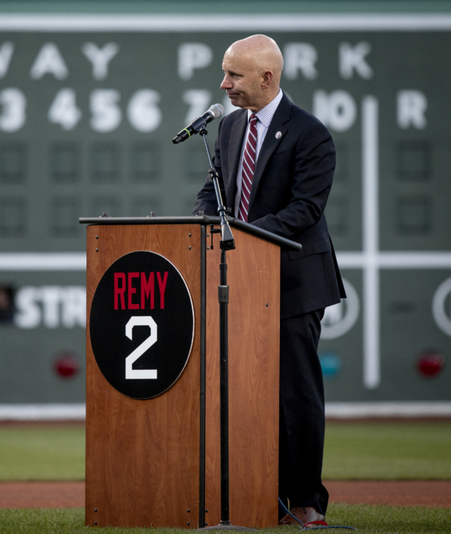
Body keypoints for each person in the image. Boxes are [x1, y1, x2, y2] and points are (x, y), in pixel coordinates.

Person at [192, 34, 345, 528]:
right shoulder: (231, 127)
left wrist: (239, 233)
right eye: (224, 72)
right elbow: (212, 189)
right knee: (247, 396)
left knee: (295, 395)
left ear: (267, 78)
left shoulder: (311, 133)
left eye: (233, 75)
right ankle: (265, 497)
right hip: (243, 283)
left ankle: (306, 502)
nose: (224, 84)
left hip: (294, 285)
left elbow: (305, 210)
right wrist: (203, 220)